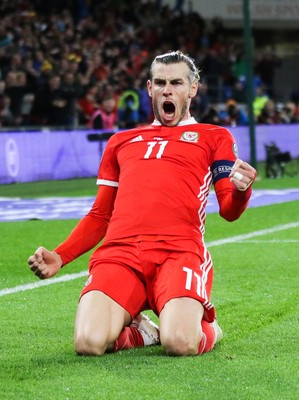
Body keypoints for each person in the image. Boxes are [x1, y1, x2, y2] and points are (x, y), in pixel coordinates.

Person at [28, 50, 257, 357]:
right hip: (121, 255)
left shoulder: (214, 137)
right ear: (149, 88)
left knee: (179, 343)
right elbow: (100, 215)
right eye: (160, 82)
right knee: (87, 343)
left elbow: (229, 210)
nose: (167, 90)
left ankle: (209, 328)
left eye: (176, 83)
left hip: (179, 253)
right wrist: (59, 256)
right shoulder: (121, 141)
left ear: (192, 89)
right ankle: (143, 331)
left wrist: (242, 191)